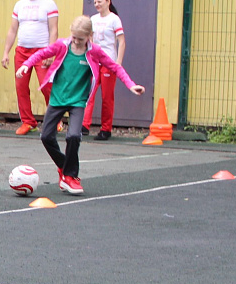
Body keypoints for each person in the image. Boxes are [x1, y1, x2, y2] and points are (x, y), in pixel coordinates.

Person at [17, 16, 145, 196]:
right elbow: (41, 54)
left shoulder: (95, 52)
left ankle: (71, 176)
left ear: (89, 36)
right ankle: (64, 166)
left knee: (74, 136)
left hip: (78, 101)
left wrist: (131, 84)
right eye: (74, 37)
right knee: (46, 136)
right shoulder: (62, 45)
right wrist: (26, 64)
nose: (76, 42)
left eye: (80, 39)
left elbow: (115, 67)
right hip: (58, 99)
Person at [1, 0, 59, 135]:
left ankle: (56, 118)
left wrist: (51, 52)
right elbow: (13, 30)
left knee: (46, 85)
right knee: (21, 87)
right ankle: (28, 122)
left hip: (42, 51)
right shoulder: (19, 5)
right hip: (22, 51)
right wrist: (6, 52)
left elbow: (54, 29)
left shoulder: (48, 4)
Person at [82, 0, 124, 140]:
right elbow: (89, 38)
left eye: (100, 1)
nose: (97, 4)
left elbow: (121, 41)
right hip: (94, 61)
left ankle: (106, 129)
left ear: (108, 1)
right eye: (95, 2)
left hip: (108, 62)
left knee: (107, 96)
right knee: (89, 93)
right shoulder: (93, 19)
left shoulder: (114, 19)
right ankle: (84, 125)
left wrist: (118, 62)